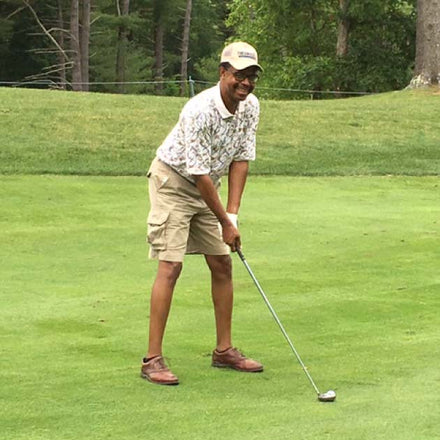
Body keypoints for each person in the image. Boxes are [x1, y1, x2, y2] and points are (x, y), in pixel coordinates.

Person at [141, 41, 263, 385]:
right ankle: (152, 360)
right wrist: (224, 221)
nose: (246, 82)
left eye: (252, 76)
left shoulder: (251, 106)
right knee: (171, 265)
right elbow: (198, 173)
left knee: (222, 262)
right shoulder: (199, 110)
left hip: (209, 186)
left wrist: (232, 217)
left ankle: (224, 350)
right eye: (239, 74)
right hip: (173, 182)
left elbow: (241, 159)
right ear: (223, 72)